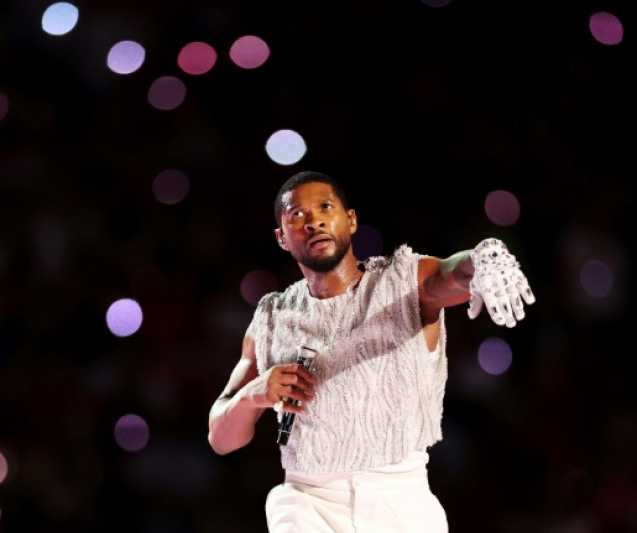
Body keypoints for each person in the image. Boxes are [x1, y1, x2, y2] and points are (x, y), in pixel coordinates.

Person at [207, 170, 536, 532]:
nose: (313, 220)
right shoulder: (271, 317)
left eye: (325, 207)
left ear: (350, 220)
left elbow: (452, 274)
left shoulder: (403, 281)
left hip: (400, 500)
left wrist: (482, 259)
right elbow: (221, 440)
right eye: (296, 215)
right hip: (308, 501)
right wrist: (253, 394)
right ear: (282, 238)